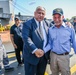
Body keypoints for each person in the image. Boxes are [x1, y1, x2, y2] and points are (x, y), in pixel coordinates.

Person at [44, 8, 76, 75]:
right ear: (52, 18)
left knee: (65, 73)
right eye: (55, 17)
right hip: (53, 56)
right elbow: (50, 43)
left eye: (59, 17)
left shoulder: (70, 29)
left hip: (64, 57)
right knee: (54, 73)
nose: (57, 19)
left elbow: (74, 43)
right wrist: (43, 51)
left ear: (63, 17)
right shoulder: (50, 30)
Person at [22, 6, 50, 75]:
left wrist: (67, 24)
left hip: (44, 57)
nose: (41, 15)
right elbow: (26, 37)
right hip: (31, 57)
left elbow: (57, 26)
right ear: (34, 13)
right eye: (39, 13)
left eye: (43, 13)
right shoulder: (27, 24)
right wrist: (35, 50)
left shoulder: (47, 23)